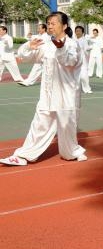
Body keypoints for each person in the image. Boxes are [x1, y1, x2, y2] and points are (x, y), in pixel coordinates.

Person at [0, 12, 87, 166]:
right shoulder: (46, 44)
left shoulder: (73, 45)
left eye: (54, 23)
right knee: (39, 124)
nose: (50, 26)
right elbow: (25, 57)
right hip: (47, 95)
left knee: (67, 128)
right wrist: (28, 46)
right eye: (49, 23)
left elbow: (70, 62)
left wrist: (60, 48)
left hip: (66, 95)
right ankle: (24, 155)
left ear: (65, 26)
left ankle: (73, 152)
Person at [73, 26, 93, 94]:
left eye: (79, 31)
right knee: (75, 76)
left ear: (82, 32)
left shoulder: (84, 40)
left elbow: (86, 49)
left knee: (84, 76)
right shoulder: (73, 40)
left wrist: (88, 49)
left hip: (83, 61)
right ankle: (76, 88)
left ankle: (87, 89)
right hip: (75, 61)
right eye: (76, 31)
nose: (77, 32)